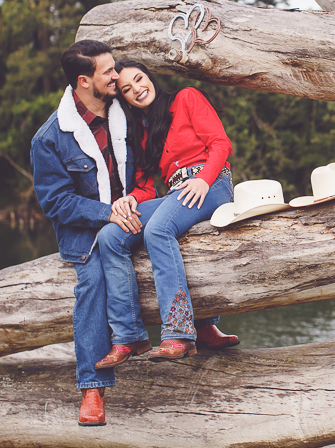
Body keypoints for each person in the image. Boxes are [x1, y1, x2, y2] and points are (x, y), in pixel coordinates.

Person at [93, 59, 239, 368]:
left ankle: (180, 334)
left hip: (212, 184)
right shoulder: (144, 132)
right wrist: (128, 201)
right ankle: (129, 336)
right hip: (177, 193)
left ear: (150, 77)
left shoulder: (186, 98)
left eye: (139, 79)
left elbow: (220, 143)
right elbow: (146, 188)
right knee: (110, 235)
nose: (137, 89)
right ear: (124, 99)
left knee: (157, 230)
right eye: (127, 89)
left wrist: (203, 178)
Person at [31, 40, 142, 427]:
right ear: (83, 81)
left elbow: (153, 153)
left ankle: (200, 327)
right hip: (86, 233)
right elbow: (57, 204)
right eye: (108, 71)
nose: (117, 75)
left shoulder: (126, 109)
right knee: (92, 282)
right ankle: (93, 387)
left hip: (137, 208)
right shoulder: (49, 138)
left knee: (182, 241)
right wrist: (108, 213)